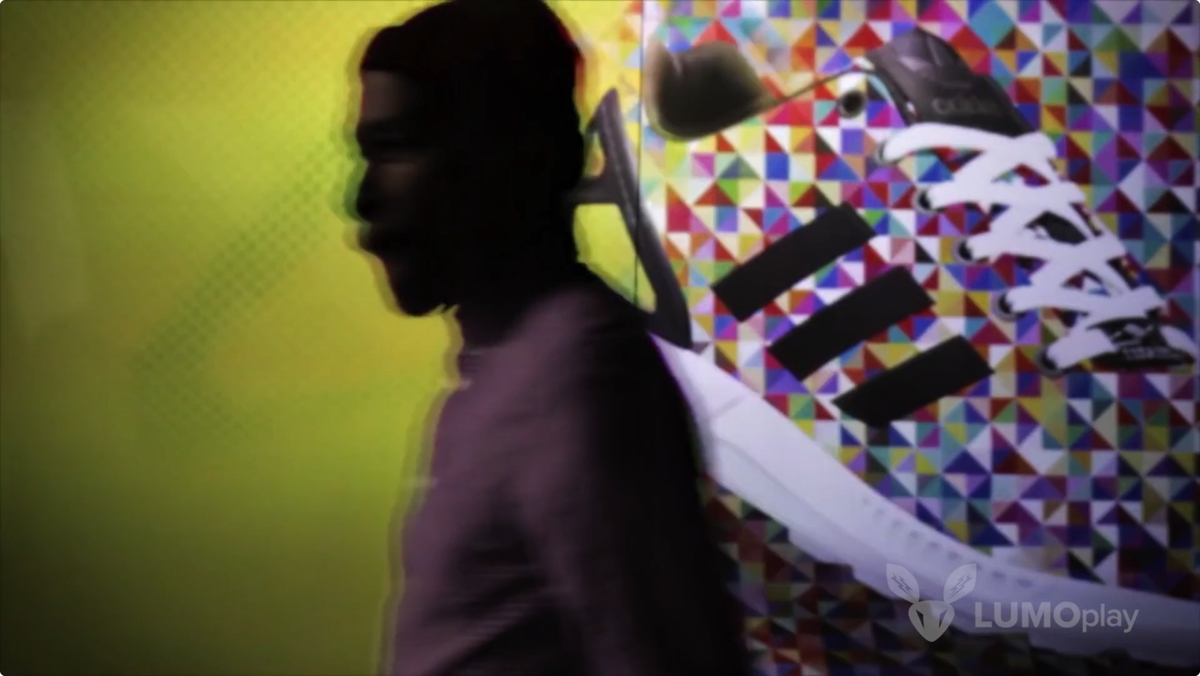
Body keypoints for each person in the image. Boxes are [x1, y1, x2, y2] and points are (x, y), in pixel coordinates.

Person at [352, 1, 750, 674]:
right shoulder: (512, 371)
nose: (362, 198)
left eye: (397, 147)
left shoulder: (576, 377)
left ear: (501, 156)